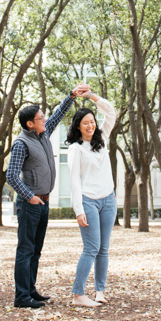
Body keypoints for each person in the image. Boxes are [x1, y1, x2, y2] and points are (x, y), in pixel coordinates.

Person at [7, 83, 90, 309]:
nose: (45, 120)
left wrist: (72, 95)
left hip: (43, 203)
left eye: (43, 117)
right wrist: (30, 196)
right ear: (29, 124)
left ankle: (30, 290)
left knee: (35, 250)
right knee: (25, 250)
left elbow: (58, 113)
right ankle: (21, 297)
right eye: (40, 118)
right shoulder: (21, 143)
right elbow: (11, 176)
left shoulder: (42, 135)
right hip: (30, 204)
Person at [66, 90, 117, 308]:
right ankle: (78, 294)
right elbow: (74, 180)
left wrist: (92, 97)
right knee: (91, 248)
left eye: (92, 121)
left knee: (103, 249)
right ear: (78, 126)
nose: (91, 126)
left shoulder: (102, 139)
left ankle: (100, 291)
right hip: (88, 200)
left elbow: (111, 114)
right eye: (85, 123)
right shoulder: (75, 149)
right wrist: (78, 209)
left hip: (108, 199)